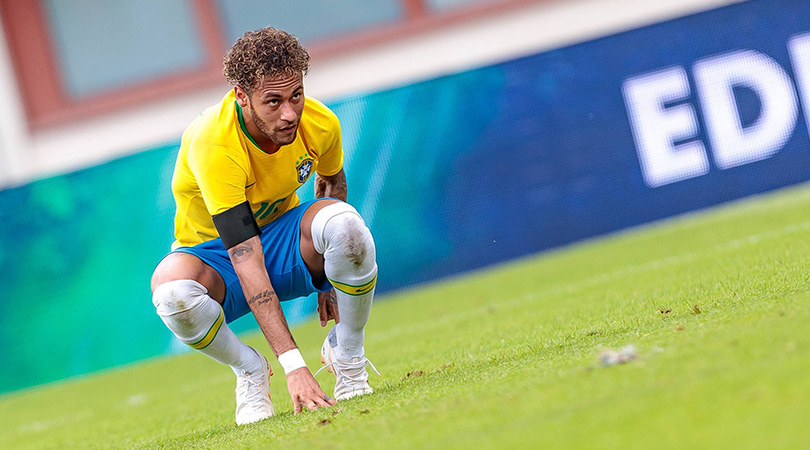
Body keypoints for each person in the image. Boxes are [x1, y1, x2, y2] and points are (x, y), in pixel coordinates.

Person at [150, 26, 379, 425]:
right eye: (272, 101)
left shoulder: (320, 123)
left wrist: (329, 277)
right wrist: (293, 365)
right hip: (220, 257)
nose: (289, 113)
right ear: (242, 97)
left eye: (296, 96)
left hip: (283, 241)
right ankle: (250, 370)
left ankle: (348, 353)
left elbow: (332, 184)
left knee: (347, 228)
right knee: (172, 294)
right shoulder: (215, 142)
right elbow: (244, 254)